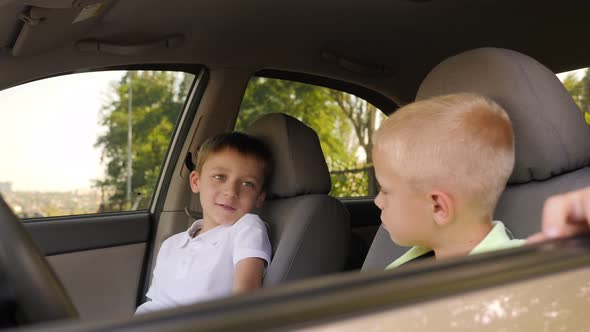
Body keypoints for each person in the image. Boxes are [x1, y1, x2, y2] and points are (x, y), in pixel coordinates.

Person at [372, 93, 525, 269]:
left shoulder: (525, 269)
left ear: (438, 206)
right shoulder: (403, 268)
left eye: (385, 190)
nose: (378, 202)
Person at [136, 132, 273, 314]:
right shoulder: (171, 244)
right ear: (196, 181)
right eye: (219, 177)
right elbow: (154, 304)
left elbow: (244, 301)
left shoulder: (247, 228)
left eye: (247, 184)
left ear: (260, 197)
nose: (231, 191)